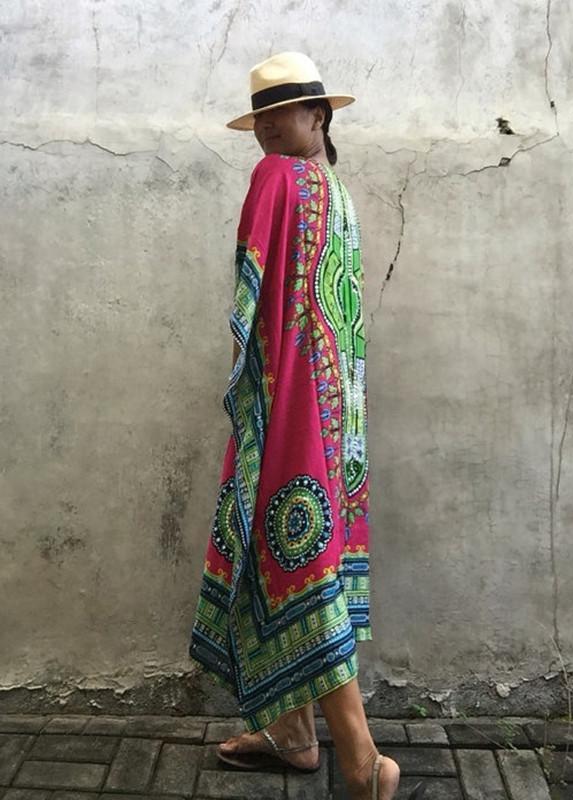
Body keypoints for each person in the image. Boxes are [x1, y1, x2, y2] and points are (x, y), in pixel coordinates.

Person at [189, 52, 425, 800]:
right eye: (259, 116)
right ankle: (293, 734)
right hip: (338, 417)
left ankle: (361, 760)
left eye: (279, 112)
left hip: (290, 405)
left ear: (318, 115)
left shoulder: (274, 177)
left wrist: (248, 394)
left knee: (295, 558)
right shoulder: (338, 193)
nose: (265, 128)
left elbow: (251, 290)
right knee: (296, 552)